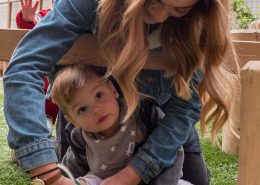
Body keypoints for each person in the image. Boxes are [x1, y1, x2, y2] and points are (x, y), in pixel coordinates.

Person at [3, 0, 237, 185]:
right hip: (89, 131)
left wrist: (134, 173)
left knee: (197, 179)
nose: (159, 16)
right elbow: (24, 68)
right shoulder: (86, 4)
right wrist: (47, 172)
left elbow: (185, 105)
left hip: (160, 120)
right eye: (151, 1)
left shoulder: (198, 20)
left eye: (179, 9)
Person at [51, 63, 191, 185]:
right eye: (82, 109)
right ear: (73, 120)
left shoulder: (143, 115)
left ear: (113, 90)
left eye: (99, 95)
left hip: (151, 179)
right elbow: (73, 168)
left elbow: (172, 151)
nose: (96, 110)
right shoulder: (80, 137)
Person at [16, 0, 59, 127]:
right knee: (46, 106)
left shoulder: (82, 16)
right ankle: (42, 129)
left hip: (74, 72)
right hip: (49, 72)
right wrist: (28, 19)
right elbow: (30, 25)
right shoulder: (48, 14)